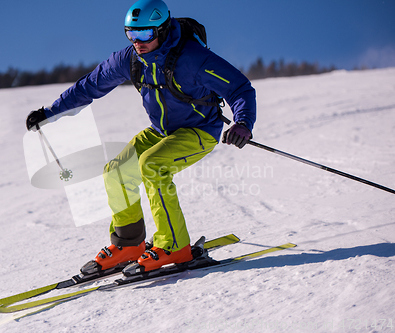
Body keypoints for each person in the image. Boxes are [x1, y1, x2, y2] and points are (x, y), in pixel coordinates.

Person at [26, 0, 256, 274]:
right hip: (161, 132)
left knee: (152, 165)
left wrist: (242, 122)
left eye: (145, 34)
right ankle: (129, 244)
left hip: (199, 131)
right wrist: (50, 112)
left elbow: (240, 88)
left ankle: (174, 246)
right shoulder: (131, 59)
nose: (138, 41)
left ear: (162, 29)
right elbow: (89, 86)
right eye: (131, 34)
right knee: (117, 170)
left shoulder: (194, 59)